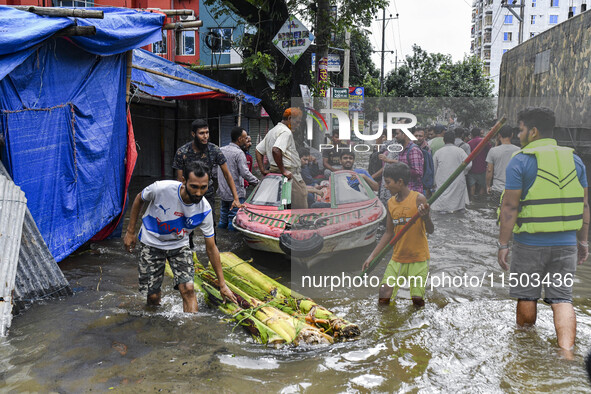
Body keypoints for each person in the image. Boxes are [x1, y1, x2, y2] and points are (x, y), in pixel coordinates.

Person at [497, 107, 589, 353]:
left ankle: (525, 349)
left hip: (530, 243)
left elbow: (509, 206)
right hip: (567, 243)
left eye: (521, 129)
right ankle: (567, 353)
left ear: (533, 131)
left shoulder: (522, 160)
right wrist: (583, 243)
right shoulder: (575, 159)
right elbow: (584, 205)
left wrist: (503, 245)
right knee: (562, 299)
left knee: (527, 295)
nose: (518, 135)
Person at [123, 162, 237, 312]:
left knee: (189, 289)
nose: (198, 193)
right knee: (153, 297)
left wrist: (222, 285)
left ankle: (191, 331)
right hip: (151, 242)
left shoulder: (204, 210)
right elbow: (139, 198)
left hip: (179, 245)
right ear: (183, 181)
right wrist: (130, 231)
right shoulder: (161, 188)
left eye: (203, 187)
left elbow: (211, 248)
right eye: (194, 187)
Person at [362, 162, 434, 307]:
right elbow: (389, 233)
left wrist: (425, 216)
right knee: (384, 294)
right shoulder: (390, 203)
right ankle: (386, 326)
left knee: (417, 301)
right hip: (398, 258)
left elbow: (430, 230)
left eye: (388, 182)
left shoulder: (418, 199)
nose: (386, 186)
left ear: (400, 182)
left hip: (418, 258)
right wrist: (372, 256)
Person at [172, 119, 242, 226]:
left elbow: (227, 175)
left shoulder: (214, 150)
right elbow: (180, 180)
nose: (205, 136)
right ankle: (189, 242)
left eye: (207, 132)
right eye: (201, 133)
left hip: (207, 193)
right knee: (187, 225)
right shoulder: (182, 152)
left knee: (210, 224)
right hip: (189, 194)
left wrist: (236, 198)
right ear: (193, 134)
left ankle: (212, 242)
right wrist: (179, 201)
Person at [255, 108, 308, 209]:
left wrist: (262, 170)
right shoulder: (285, 132)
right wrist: (284, 170)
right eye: (297, 122)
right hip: (288, 174)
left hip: (275, 174)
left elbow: (258, 150)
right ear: (290, 118)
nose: (298, 125)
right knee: (300, 206)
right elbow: (276, 150)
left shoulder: (273, 131)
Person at [217, 127, 259, 231]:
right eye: (245, 138)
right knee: (234, 220)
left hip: (222, 192)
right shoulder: (239, 153)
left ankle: (219, 239)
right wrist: (258, 183)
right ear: (240, 139)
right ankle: (233, 241)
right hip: (236, 193)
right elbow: (245, 173)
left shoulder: (221, 150)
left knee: (223, 219)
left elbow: (214, 170)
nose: (246, 141)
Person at [431, 131, 472, 212]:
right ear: (454, 140)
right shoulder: (460, 151)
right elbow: (469, 164)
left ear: (444, 140)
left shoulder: (438, 152)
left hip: (442, 181)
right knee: (458, 206)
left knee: (442, 206)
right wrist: (462, 173)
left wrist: (434, 183)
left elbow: (434, 169)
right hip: (457, 180)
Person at [379, 129, 424, 194]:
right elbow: (402, 164)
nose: (396, 136)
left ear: (404, 134)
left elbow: (417, 172)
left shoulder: (413, 150)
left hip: (412, 192)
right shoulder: (402, 150)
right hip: (402, 193)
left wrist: (400, 171)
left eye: (397, 134)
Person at [485, 125, 520, 204]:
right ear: (512, 135)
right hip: (513, 190)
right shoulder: (518, 151)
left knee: (496, 213)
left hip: (497, 189)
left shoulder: (493, 151)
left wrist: (487, 186)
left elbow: (489, 170)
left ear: (499, 135)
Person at [467, 127, 491, 199]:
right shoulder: (485, 141)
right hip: (482, 168)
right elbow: (490, 151)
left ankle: (472, 201)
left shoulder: (469, 143)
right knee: (482, 187)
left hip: (471, 168)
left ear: (471, 135)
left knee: (472, 187)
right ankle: (480, 201)